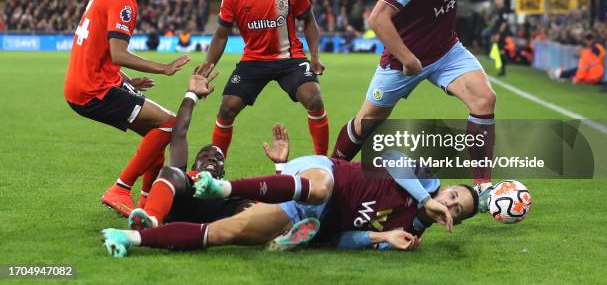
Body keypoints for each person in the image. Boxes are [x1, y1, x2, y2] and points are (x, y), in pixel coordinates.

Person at [330, 0, 540, 211]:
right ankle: (331, 172)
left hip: (446, 50)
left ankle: (482, 188)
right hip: (403, 61)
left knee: (484, 99)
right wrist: (408, 58)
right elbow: (378, 20)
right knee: (366, 124)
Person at [102, 127, 478, 257]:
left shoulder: (408, 233)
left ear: (453, 222)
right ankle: (223, 185)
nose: (450, 203)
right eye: (453, 196)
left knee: (226, 234)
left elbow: (340, 240)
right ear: (445, 190)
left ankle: (130, 237)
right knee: (321, 188)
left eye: (456, 209)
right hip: (325, 173)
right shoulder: (425, 180)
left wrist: (383, 236)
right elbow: (390, 154)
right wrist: (427, 196)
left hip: (312, 215)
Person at [64, 0, 191, 216]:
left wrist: (124, 80)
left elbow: (100, 51)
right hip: (93, 90)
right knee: (171, 124)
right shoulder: (124, 0)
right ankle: (120, 189)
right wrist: (164, 67)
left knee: (156, 133)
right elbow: (118, 53)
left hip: (91, 82)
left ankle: (146, 204)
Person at [205, 0, 329, 158]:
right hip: (253, 60)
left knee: (315, 99)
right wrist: (207, 66)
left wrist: (315, 56)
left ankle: (324, 162)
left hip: (290, 59)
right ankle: (216, 166)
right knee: (226, 108)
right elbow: (221, 34)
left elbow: (309, 20)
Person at [126, 65, 291, 230]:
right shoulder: (186, 179)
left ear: (223, 172)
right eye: (204, 156)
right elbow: (179, 133)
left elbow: (275, 198)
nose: (212, 157)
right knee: (169, 172)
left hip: (221, 212)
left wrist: (281, 165)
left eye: (219, 158)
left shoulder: (230, 190)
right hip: (184, 205)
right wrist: (191, 95)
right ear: (194, 166)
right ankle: (151, 221)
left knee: (249, 203)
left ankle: (276, 231)